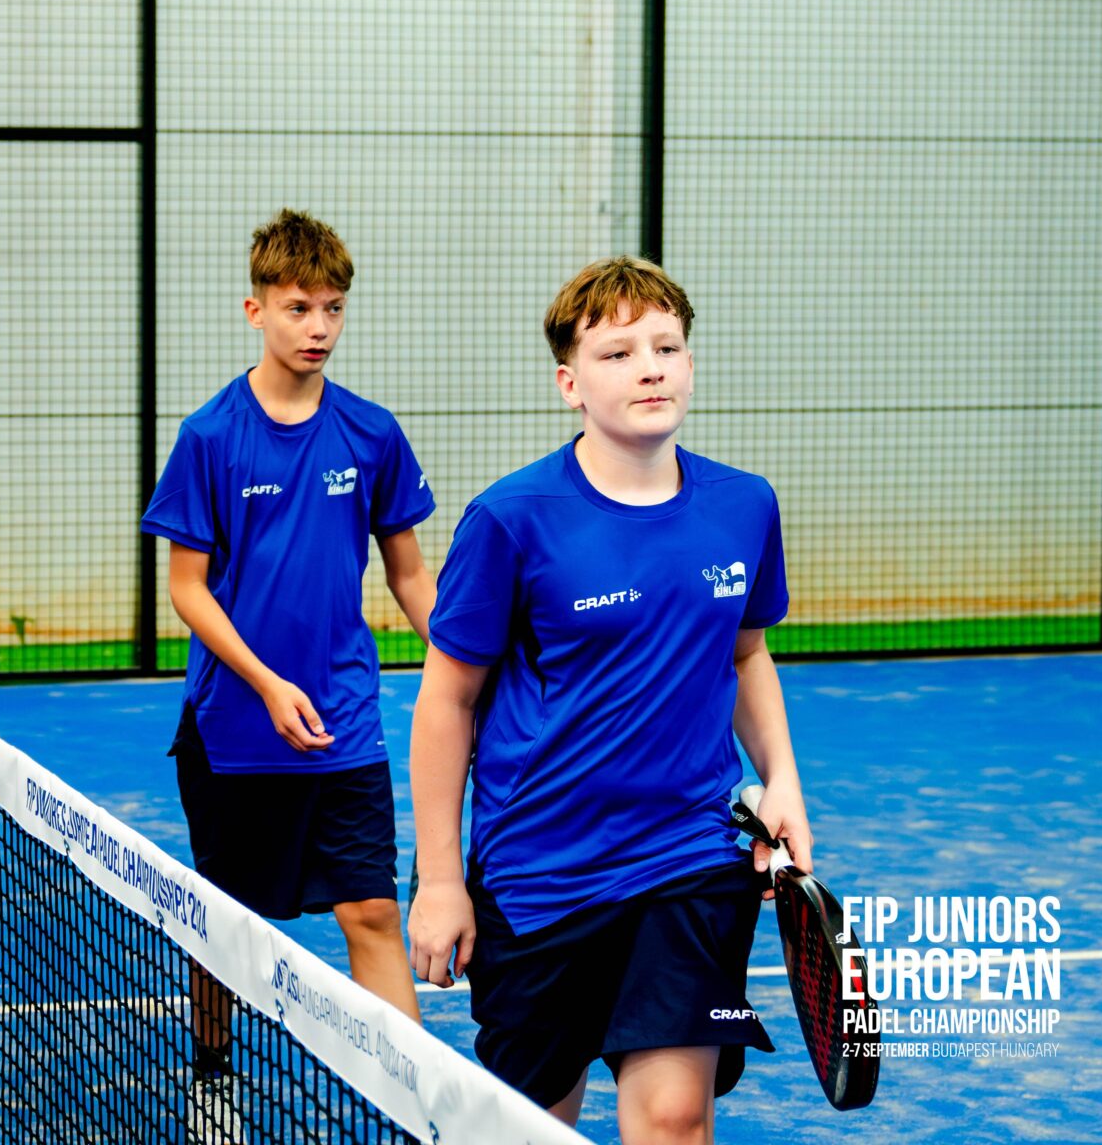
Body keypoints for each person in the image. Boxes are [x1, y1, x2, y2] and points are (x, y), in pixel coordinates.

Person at [407, 255, 810, 1144]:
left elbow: (746, 652)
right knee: (532, 1126)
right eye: (619, 353)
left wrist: (781, 778)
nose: (650, 369)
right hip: (539, 876)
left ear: (691, 364)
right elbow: (446, 703)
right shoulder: (511, 519)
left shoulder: (745, 505)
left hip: (688, 858)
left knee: (674, 1117)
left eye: (667, 347)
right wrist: (438, 880)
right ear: (570, 384)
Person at [140, 208, 436, 1142]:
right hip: (236, 729)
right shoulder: (211, 436)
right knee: (228, 925)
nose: (318, 327)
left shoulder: (371, 433)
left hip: (346, 717)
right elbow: (187, 589)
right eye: (299, 308)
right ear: (255, 309)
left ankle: (413, 1102)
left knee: (373, 910)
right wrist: (266, 684)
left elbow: (409, 574)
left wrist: (463, 666)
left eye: (333, 309)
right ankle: (214, 1070)